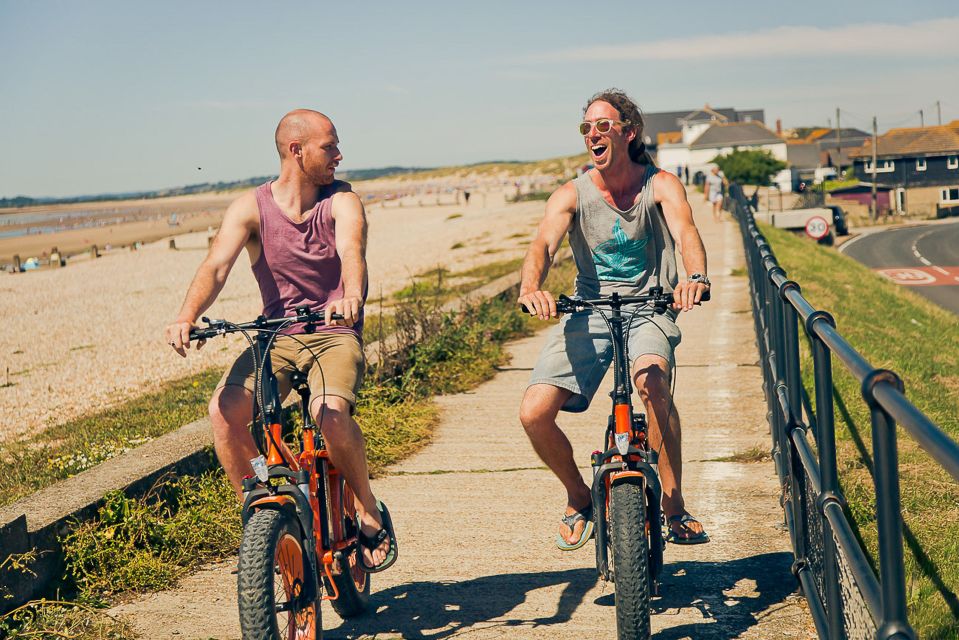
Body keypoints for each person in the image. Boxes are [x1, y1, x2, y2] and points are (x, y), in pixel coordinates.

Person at [164, 109, 396, 572]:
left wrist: (351, 297)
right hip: (277, 336)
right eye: (329, 147)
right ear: (297, 150)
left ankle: (369, 508)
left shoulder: (342, 201)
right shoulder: (250, 208)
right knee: (224, 412)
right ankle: (262, 511)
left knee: (326, 415)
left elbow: (353, 251)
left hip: (333, 334)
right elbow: (215, 267)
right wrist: (187, 316)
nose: (339, 155)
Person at [518, 89, 711, 550]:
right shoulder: (572, 193)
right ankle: (579, 497)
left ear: (629, 132)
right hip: (590, 310)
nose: (592, 135)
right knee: (534, 413)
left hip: (650, 306)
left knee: (652, 384)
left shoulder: (660, 184)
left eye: (602, 126)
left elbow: (686, 232)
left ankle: (673, 505)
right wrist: (531, 288)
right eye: (586, 127)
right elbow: (542, 245)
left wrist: (696, 277)